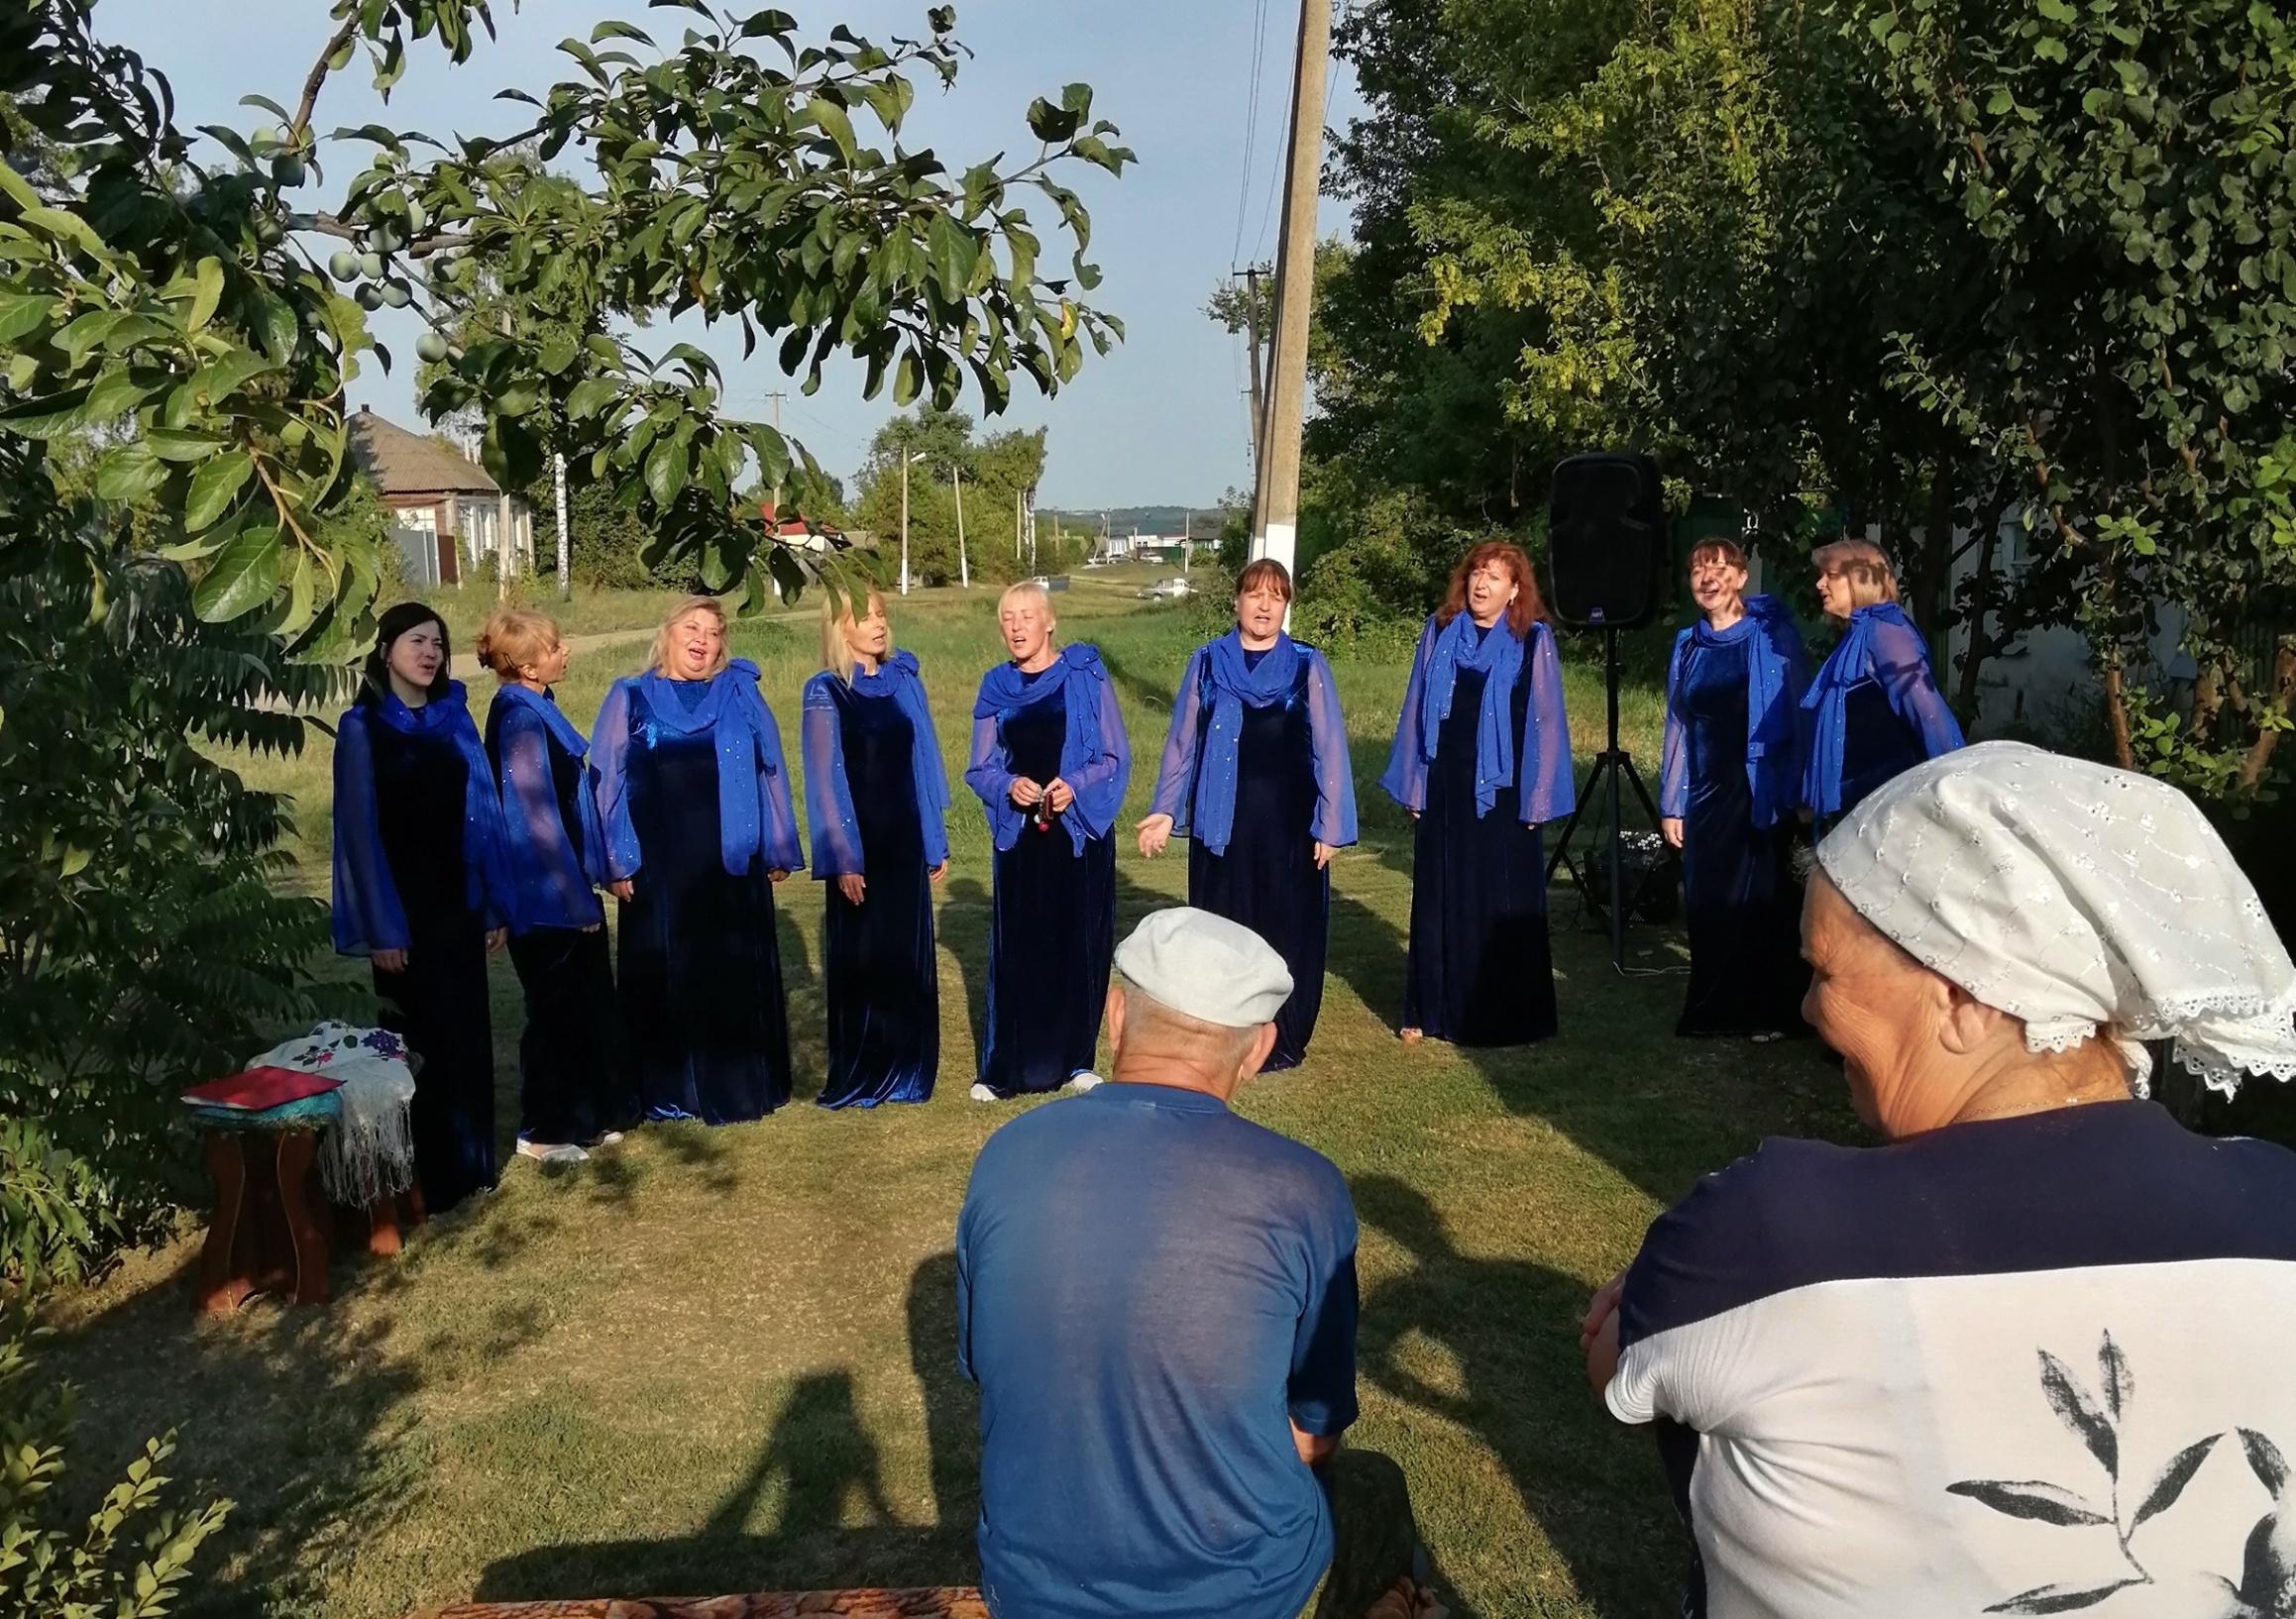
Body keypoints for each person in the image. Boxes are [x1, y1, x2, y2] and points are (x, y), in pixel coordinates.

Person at [1583, 742, 2296, 1619]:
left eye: (1825, 973)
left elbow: (1619, 1360)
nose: (1806, 1010)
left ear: (1964, 998)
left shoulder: (1763, 1237)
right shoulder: (2277, 1205)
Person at [957, 908, 1430, 1619]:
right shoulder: (1301, 1188)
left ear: (1114, 1015)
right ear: (1260, 1046)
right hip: (1233, 1585)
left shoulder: (1007, 1154)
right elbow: (1316, 1430)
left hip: (1029, 1579)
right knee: (1375, 1488)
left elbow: (982, 1366)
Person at [590, 595, 804, 1125]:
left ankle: (735, 1082)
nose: (702, 640)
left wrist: (777, 845)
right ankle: (667, 1090)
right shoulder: (629, 696)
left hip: (730, 865)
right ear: (668, 634)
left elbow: (770, 770)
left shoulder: (740, 693)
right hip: (656, 870)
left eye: (712, 631)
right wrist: (613, 861)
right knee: (662, 974)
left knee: (729, 971)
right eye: (692, 627)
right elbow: (605, 784)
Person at [1138, 560, 1357, 1072]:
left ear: (1286, 606)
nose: (1264, 606)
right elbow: (1182, 743)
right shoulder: (1208, 662)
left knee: (1286, 929)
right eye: (1255, 594)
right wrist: (1164, 812)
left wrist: (1330, 825)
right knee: (1223, 929)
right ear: (1236, 600)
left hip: (1289, 828)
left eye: (1276, 597)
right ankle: (1225, 1035)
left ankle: (1280, 1037)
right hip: (1222, 827)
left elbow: (1329, 748)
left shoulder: (1307, 664)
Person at [331, 602, 508, 1215]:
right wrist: (382, 925)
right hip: (401, 912)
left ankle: (469, 1168)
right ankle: (418, 1181)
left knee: (464, 1035)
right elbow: (359, 836)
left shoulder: (453, 717)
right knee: (415, 1044)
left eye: (437, 642)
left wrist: (490, 904)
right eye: (416, 641)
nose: (430, 652)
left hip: (456, 904)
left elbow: (482, 815)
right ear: (386, 651)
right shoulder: (361, 729)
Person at [1379, 541, 1575, 1047]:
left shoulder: (1533, 640)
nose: (1481, 584)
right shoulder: (1440, 631)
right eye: (1476, 574)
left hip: (1505, 793)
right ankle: (1431, 1010)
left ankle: (1504, 1015)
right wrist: (1414, 784)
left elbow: (1546, 721)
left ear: (1515, 591)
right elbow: (1416, 705)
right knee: (1440, 895)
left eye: (1494, 577)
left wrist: (1539, 797)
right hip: (1445, 787)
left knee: (1500, 900)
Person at [478, 607, 634, 1166]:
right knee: (554, 1012)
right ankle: (542, 1130)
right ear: (526, 664)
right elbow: (534, 815)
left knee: (585, 1004)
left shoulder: (536, 705)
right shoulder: (519, 720)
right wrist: (572, 898)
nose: (566, 652)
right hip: (543, 896)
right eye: (555, 646)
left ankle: (588, 1115)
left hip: (562, 888)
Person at [963, 581, 1130, 1100]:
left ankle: (1078, 1060)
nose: (1015, 627)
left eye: (1026, 616)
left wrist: (1072, 786)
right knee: (1019, 948)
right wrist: (1007, 785)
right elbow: (980, 768)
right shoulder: (994, 686)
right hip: (1021, 840)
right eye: (1007, 618)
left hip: (1076, 834)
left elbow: (1113, 757)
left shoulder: (1084, 674)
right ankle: (1004, 1069)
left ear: (1049, 621)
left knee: (1078, 945)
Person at [800, 587, 951, 1108]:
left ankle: (909, 1070)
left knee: (904, 954)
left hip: (904, 839)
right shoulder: (826, 691)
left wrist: (934, 839)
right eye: (865, 618)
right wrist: (843, 855)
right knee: (865, 955)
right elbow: (824, 780)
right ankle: (865, 1071)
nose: (878, 624)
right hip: (859, 844)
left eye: (882, 615)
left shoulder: (903, 683)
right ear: (841, 630)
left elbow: (921, 766)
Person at [1659, 540, 1812, 1038]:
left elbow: (1797, 712)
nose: (1708, 579)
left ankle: (1768, 1012)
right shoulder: (1687, 643)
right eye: (1698, 570)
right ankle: (1714, 1010)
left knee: (1764, 905)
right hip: (1705, 795)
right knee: (1706, 904)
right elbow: (1678, 727)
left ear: (1742, 578)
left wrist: (1799, 789)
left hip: (1760, 791)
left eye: (1719, 569)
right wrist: (1672, 803)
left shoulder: (1771, 637)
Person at [1801, 538, 1962, 827]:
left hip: (1884, 808)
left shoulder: (1886, 633)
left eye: (1831, 576)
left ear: (1860, 580)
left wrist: (1956, 784)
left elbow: (1927, 712)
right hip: (1858, 805)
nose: (1820, 584)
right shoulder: (1858, 635)